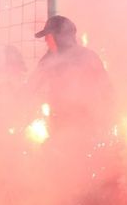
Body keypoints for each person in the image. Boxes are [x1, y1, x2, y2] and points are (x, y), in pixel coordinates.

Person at [27, 15, 114, 144]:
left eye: (48, 36)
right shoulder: (50, 59)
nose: (46, 40)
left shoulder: (87, 57)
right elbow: (31, 87)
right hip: (62, 126)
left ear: (60, 37)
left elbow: (107, 92)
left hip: (85, 125)